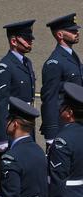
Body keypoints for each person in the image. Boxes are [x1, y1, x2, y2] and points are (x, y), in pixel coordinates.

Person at [0, 20, 37, 151]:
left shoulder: (27, 62)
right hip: (14, 128)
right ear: (13, 41)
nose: (31, 41)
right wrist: (2, 136)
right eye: (26, 39)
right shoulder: (4, 67)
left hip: (27, 124)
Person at [41, 14, 83, 145]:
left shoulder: (72, 56)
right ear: (60, 35)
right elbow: (49, 98)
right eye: (72, 31)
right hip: (63, 124)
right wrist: (51, 133)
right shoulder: (54, 62)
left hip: (76, 121)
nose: (77, 32)